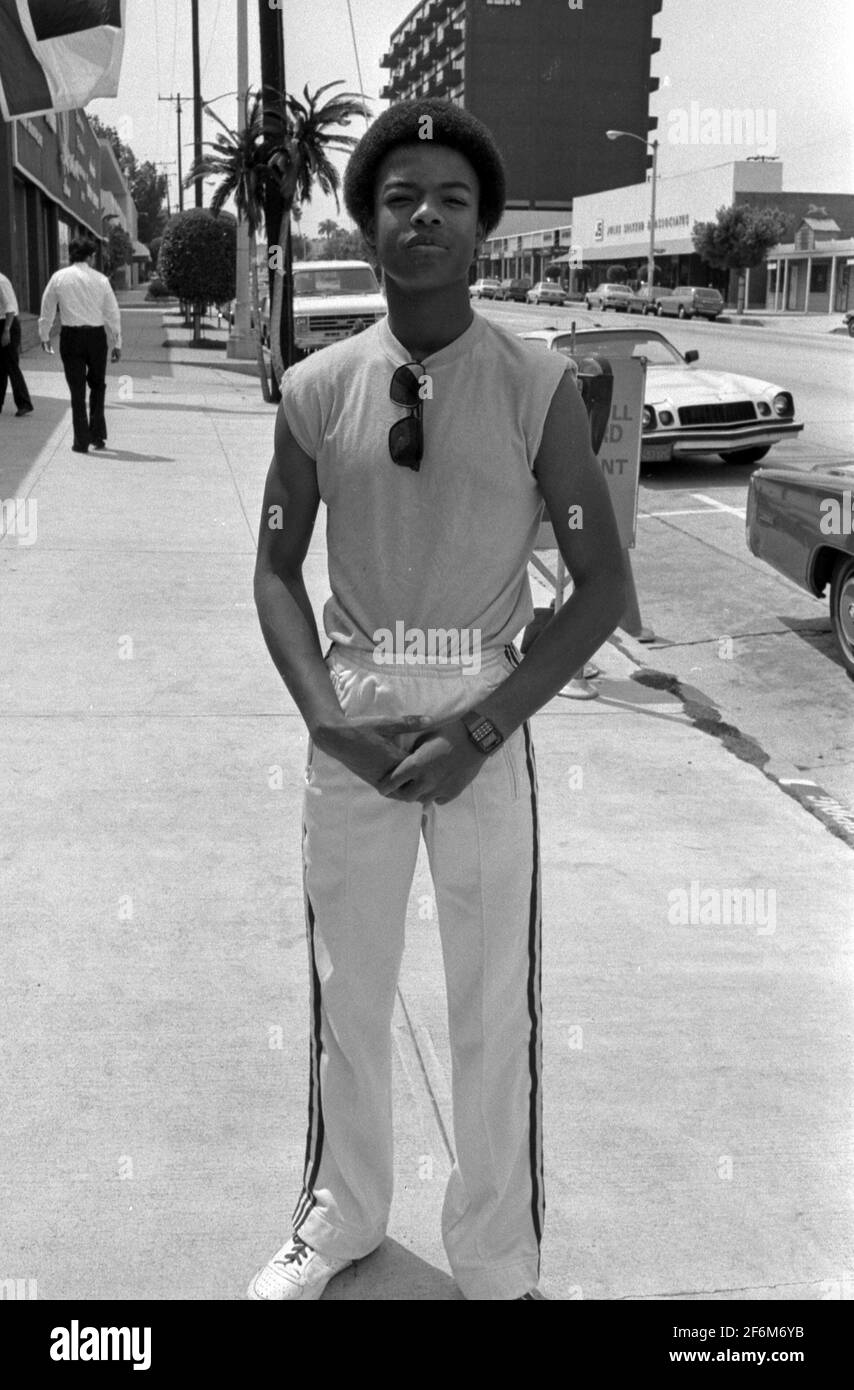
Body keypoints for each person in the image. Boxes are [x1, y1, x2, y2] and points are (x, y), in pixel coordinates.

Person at [250, 99, 627, 1302]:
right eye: (400, 195)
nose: (424, 214)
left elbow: (598, 585)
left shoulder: (534, 384)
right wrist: (324, 715)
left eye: (451, 200)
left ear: (482, 235)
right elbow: (273, 566)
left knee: (490, 1006)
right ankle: (342, 1212)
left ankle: (496, 1256)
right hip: (355, 712)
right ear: (367, 225)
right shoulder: (316, 389)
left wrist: (481, 726)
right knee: (346, 991)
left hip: (482, 704)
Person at [38, 234, 122, 453]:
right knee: (98, 386)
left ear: (71, 254)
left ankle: (80, 440)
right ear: (91, 256)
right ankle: (97, 434)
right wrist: (117, 342)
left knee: (77, 390)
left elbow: (47, 308)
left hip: (71, 337)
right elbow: (112, 313)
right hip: (96, 337)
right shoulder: (101, 280)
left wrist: (44, 335)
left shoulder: (59, 278)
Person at [0, 268, 34, 417]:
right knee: (0, 368)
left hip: (8, 324)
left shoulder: (1, 281)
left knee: (11, 365)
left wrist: (6, 330)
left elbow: (10, 307)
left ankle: (24, 403)